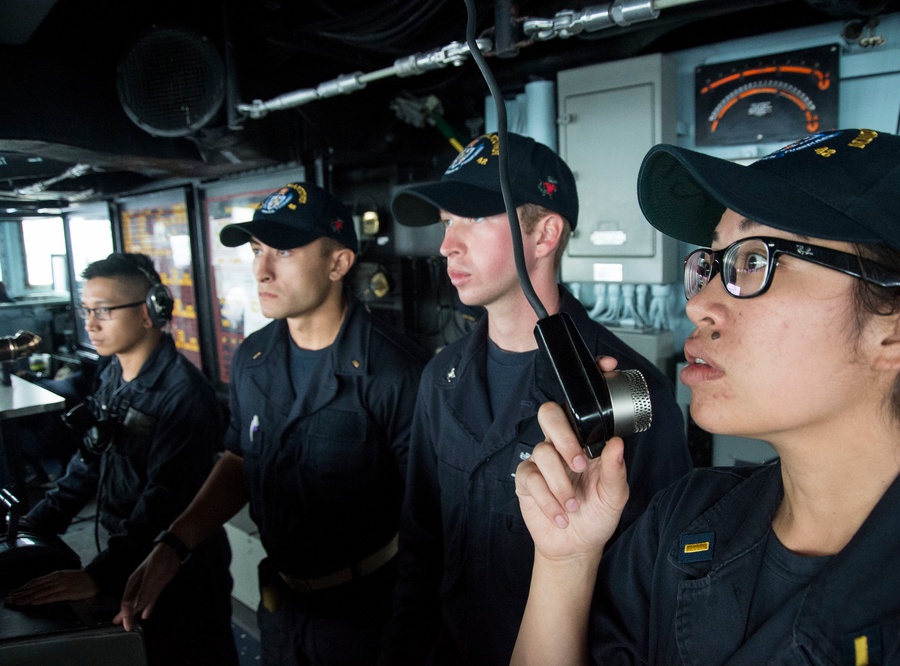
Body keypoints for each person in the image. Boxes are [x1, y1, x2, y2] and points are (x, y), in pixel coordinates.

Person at [511, 128, 900, 665]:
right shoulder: (683, 518)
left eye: (755, 261)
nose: (699, 306)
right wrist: (568, 558)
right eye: (711, 264)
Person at [382, 132, 692, 665]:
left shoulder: (630, 393)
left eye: (474, 218)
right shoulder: (441, 377)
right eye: (446, 222)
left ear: (545, 233)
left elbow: (654, 589)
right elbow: (421, 547)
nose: (446, 244)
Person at [114, 182, 428, 665]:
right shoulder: (253, 358)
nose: (260, 270)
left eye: (282, 250)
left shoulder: (396, 372)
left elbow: (433, 521)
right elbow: (239, 460)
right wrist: (174, 545)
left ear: (338, 263)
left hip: (368, 620)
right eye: (258, 250)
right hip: (281, 610)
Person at [4, 252, 237, 666]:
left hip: (179, 571)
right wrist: (31, 525)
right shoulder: (112, 374)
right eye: (87, 310)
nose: (90, 324)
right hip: (126, 555)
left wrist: (98, 575)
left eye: (104, 311)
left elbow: (164, 500)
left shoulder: (184, 395)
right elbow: (90, 459)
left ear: (150, 312)